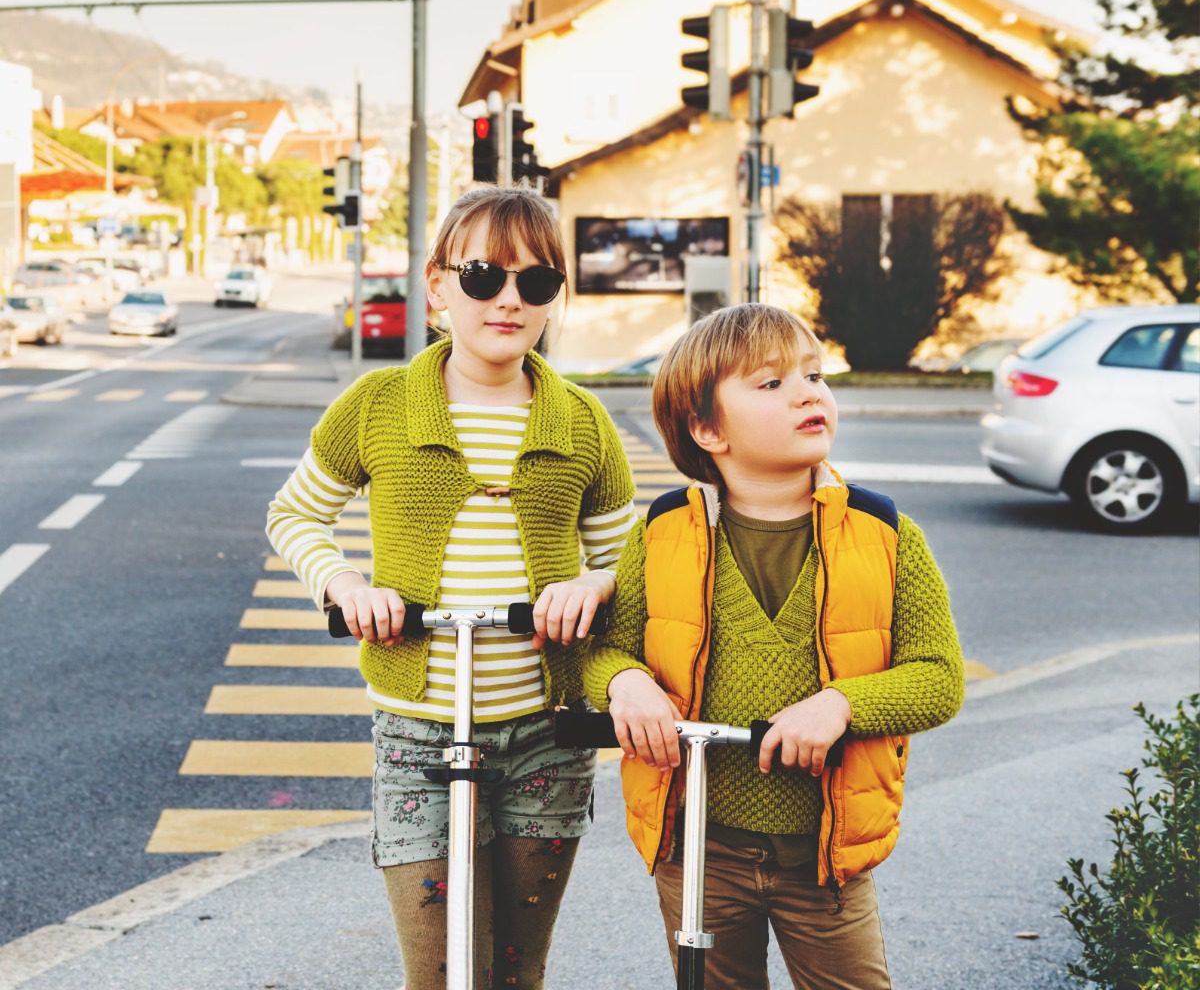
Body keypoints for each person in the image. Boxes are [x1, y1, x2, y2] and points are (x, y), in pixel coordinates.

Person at [266, 187, 636, 990]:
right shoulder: (377, 407)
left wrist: (593, 584)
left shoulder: (582, 422)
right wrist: (343, 583)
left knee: (516, 972)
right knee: (439, 971)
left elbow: (630, 563)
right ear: (437, 286)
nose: (509, 299)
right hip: (418, 731)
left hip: (548, 731)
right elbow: (294, 513)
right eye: (484, 276)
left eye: (536, 282)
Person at [582, 302, 965, 990]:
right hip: (698, 845)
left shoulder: (884, 535)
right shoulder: (663, 533)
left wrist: (840, 705)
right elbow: (605, 650)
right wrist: (624, 683)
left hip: (825, 855)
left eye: (814, 376)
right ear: (707, 429)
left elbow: (938, 677)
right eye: (771, 383)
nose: (808, 393)